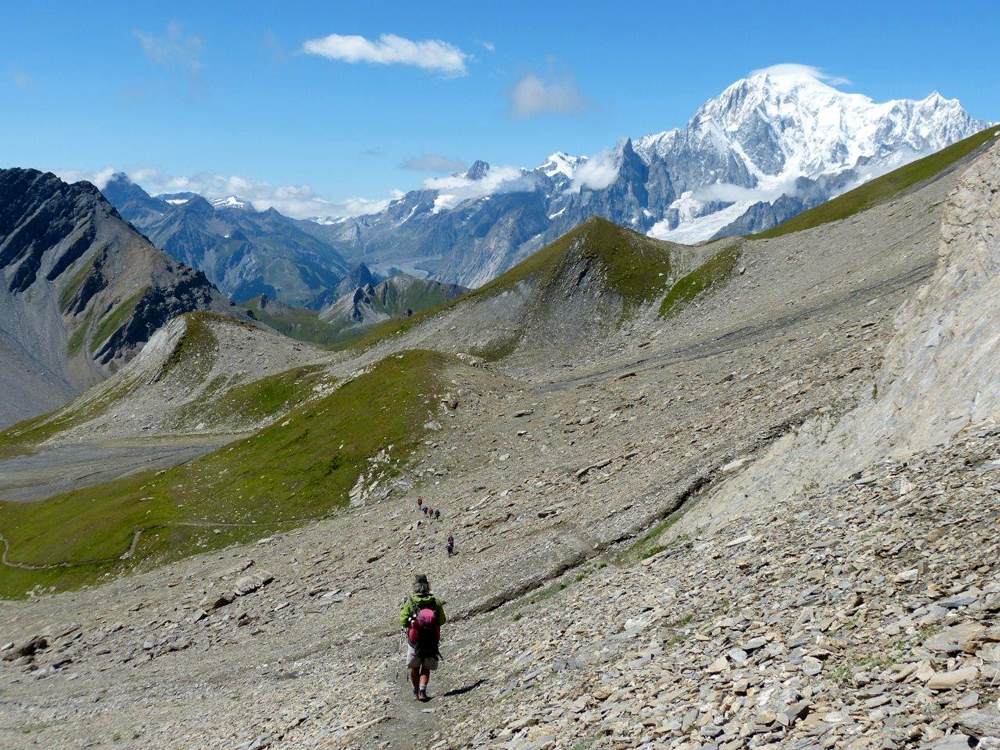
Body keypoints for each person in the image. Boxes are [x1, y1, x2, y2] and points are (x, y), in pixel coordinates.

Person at [399, 574, 446, 701]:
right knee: (426, 666)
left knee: (415, 666)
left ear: (415, 587)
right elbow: (442, 620)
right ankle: (423, 691)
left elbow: (403, 621)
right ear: (428, 587)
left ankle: (415, 693)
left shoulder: (410, 602)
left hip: (415, 640)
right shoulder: (435, 602)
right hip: (431, 640)